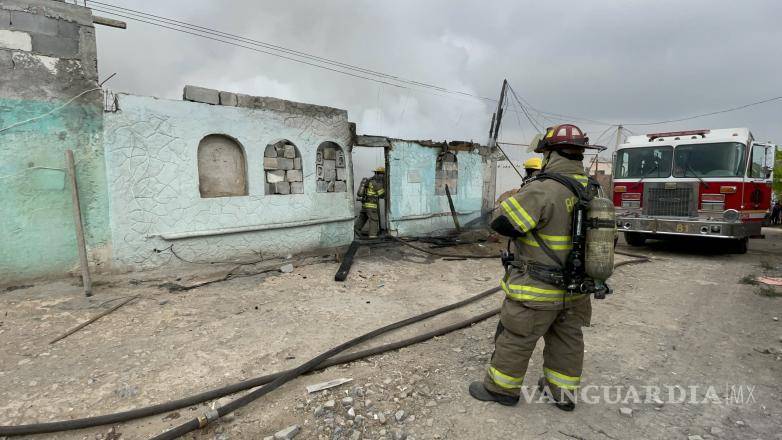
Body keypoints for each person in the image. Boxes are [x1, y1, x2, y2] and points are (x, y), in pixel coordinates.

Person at [469, 124, 603, 411]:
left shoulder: (543, 188)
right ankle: (562, 394)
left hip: (537, 289)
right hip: (577, 289)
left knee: (516, 337)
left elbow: (502, 223)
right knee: (567, 340)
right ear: (580, 154)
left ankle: (501, 389)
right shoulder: (592, 189)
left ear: (550, 153)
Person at [354, 167, 386, 238]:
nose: (383, 176)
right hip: (371, 206)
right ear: (379, 174)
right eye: (383, 174)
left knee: (363, 218)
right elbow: (381, 195)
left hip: (364, 205)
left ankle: (355, 230)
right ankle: (372, 236)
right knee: (374, 220)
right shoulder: (376, 183)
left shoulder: (368, 180)